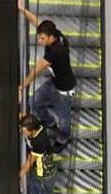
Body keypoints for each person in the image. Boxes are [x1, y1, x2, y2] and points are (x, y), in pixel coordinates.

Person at [18, 0, 76, 153]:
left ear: (50, 38)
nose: (39, 41)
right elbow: (37, 23)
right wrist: (23, 10)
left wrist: (22, 86)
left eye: (42, 38)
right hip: (53, 82)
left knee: (64, 119)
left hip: (64, 90)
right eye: (39, 37)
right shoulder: (56, 34)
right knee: (34, 102)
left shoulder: (55, 51)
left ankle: (63, 138)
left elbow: (35, 70)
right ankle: (50, 123)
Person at [19, 114, 62, 194]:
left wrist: (19, 176)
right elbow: (22, 118)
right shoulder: (35, 125)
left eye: (24, 131)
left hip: (45, 173)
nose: (22, 132)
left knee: (46, 193)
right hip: (36, 170)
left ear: (32, 130)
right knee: (34, 189)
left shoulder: (40, 142)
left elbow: (29, 162)